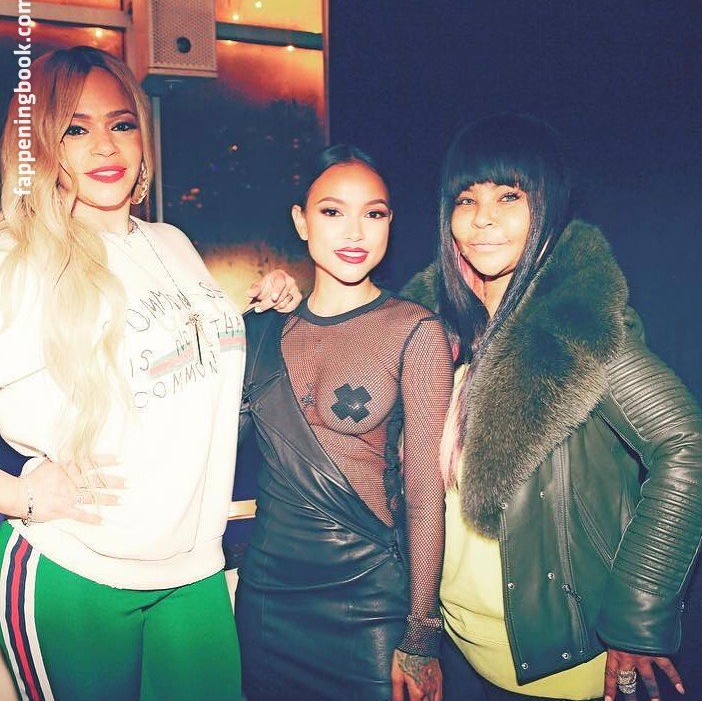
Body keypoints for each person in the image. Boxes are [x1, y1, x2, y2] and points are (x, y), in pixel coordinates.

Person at [0, 45, 299, 701]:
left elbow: (189, 374)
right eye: (75, 128)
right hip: (78, 568)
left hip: (195, 566)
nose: (105, 145)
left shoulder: (171, 243)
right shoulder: (17, 256)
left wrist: (268, 310)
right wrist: (20, 496)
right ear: (40, 144)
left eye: (121, 123)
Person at [400, 113, 702, 701]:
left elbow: (687, 448)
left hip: (562, 666)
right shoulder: (429, 329)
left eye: (509, 196)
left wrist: (637, 617)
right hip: (457, 651)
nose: (483, 217)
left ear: (546, 207)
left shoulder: (580, 327)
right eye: (466, 199)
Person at [236, 144, 454, 701]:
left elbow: (425, 489)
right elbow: (209, 441)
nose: (355, 231)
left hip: (369, 600)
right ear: (301, 221)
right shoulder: (262, 330)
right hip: (268, 599)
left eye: (373, 213)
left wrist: (422, 632)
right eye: (332, 211)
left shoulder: (413, 330)